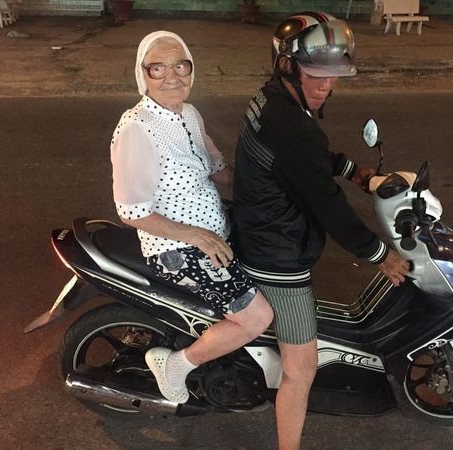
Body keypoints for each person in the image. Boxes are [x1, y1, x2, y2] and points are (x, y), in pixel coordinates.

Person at [232, 12, 411, 450]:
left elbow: (306, 161)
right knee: (302, 368)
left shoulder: (274, 99)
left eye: (333, 76)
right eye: (315, 74)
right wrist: (378, 254)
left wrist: (354, 171)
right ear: (288, 66)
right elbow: (326, 203)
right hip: (275, 251)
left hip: (261, 226)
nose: (326, 85)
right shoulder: (292, 124)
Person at [110, 31, 273, 404]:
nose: (172, 76)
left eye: (180, 66)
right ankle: (177, 365)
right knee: (257, 317)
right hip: (176, 249)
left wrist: (272, 185)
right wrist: (195, 235)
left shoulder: (188, 113)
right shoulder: (137, 128)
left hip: (214, 231)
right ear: (142, 74)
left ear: (191, 70)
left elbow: (217, 169)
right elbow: (131, 211)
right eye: (158, 68)